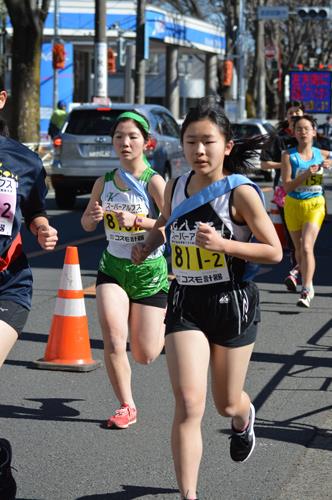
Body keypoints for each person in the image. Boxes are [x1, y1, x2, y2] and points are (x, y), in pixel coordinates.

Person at [132, 98, 282, 500]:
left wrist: (224, 245)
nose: (199, 150)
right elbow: (166, 223)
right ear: (181, 145)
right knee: (188, 403)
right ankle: (189, 495)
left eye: (208, 142)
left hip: (232, 304)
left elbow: (274, 251)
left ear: (227, 146)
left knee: (225, 403)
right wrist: (149, 242)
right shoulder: (177, 185)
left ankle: (243, 417)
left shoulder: (241, 193)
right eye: (191, 141)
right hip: (185, 303)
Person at [81, 110, 168, 429]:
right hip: (113, 268)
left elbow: (172, 224)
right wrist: (92, 216)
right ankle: (126, 405)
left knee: (146, 354)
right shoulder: (103, 182)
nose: (125, 142)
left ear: (147, 143)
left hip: (149, 271)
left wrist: (141, 223)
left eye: (132, 137)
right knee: (114, 339)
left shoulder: (154, 181)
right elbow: (87, 221)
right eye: (119, 137)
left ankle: (167, 319)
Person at [0, 86, 58, 498]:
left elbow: (34, 208)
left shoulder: (23, 160)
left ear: (2, 98)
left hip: (7, 284)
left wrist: (41, 227)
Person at [281, 114, 332, 308]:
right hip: (293, 205)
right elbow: (287, 187)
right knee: (298, 250)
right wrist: (304, 175)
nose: (302, 132)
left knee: (308, 247)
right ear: (293, 133)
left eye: (306, 129)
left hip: (315, 204)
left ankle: (307, 288)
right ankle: (298, 273)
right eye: (299, 129)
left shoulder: (322, 154)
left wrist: (330, 163)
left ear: (313, 132)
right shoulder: (288, 155)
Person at [260, 100, 305, 292]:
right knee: (294, 238)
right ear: (286, 117)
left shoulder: (309, 136)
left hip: (310, 194)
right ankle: (296, 271)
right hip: (285, 192)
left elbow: (322, 156)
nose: (294, 116)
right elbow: (264, 164)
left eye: (298, 113)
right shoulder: (278, 139)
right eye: (291, 113)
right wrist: (286, 164)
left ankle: (298, 272)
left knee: (307, 240)